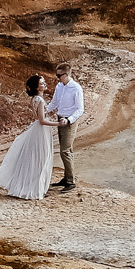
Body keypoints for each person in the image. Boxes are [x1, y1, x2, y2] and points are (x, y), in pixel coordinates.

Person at [0, 73, 57, 200]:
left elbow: (38, 117)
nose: (45, 85)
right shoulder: (40, 100)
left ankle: (32, 187)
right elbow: (42, 120)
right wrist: (58, 123)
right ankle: (36, 189)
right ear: (38, 88)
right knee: (41, 159)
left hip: (37, 129)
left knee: (35, 158)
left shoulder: (34, 99)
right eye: (42, 83)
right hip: (41, 130)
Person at [47, 60, 84, 192]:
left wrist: (69, 120)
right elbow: (54, 102)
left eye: (59, 76)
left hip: (70, 122)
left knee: (65, 150)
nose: (57, 78)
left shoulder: (76, 88)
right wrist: (43, 110)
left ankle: (71, 181)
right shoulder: (59, 86)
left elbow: (80, 109)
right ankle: (66, 177)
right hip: (60, 118)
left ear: (67, 74)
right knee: (66, 150)